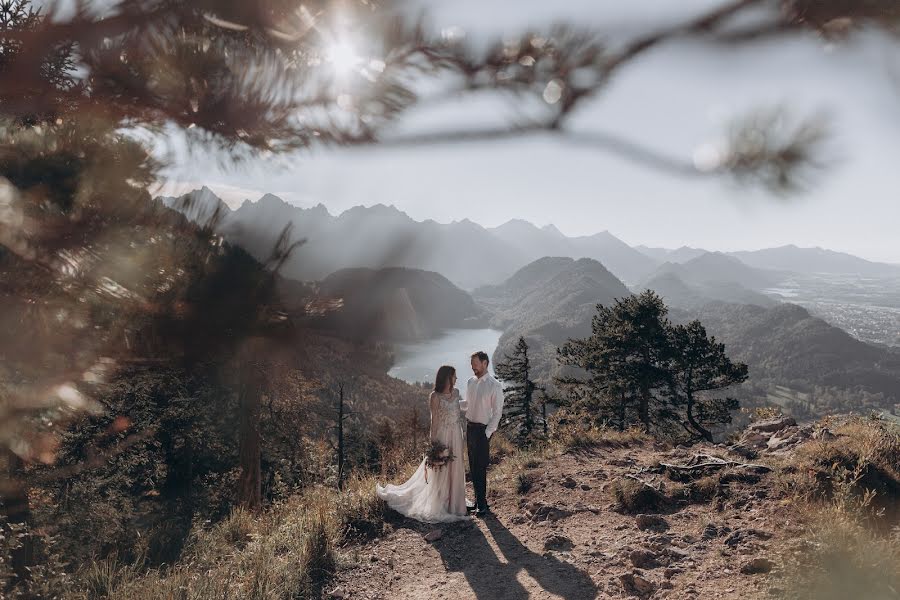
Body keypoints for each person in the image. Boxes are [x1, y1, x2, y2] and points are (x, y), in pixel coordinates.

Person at [375, 365, 468, 522]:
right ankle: (442, 503)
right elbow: (435, 421)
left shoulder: (457, 393)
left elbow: (458, 410)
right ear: (447, 378)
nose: (456, 379)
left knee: (456, 467)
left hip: (457, 436)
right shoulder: (435, 396)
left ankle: (456, 504)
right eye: (454, 376)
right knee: (441, 470)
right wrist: (434, 445)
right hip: (443, 435)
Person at [462, 351, 504, 517]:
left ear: (485, 363)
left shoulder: (494, 385)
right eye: (471, 364)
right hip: (470, 428)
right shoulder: (470, 382)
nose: (472, 367)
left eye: (475, 363)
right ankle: (478, 502)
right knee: (472, 467)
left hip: (482, 430)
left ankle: (483, 504)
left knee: (480, 467)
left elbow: (497, 412)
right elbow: (468, 404)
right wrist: (450, 404)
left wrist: (487, 433)